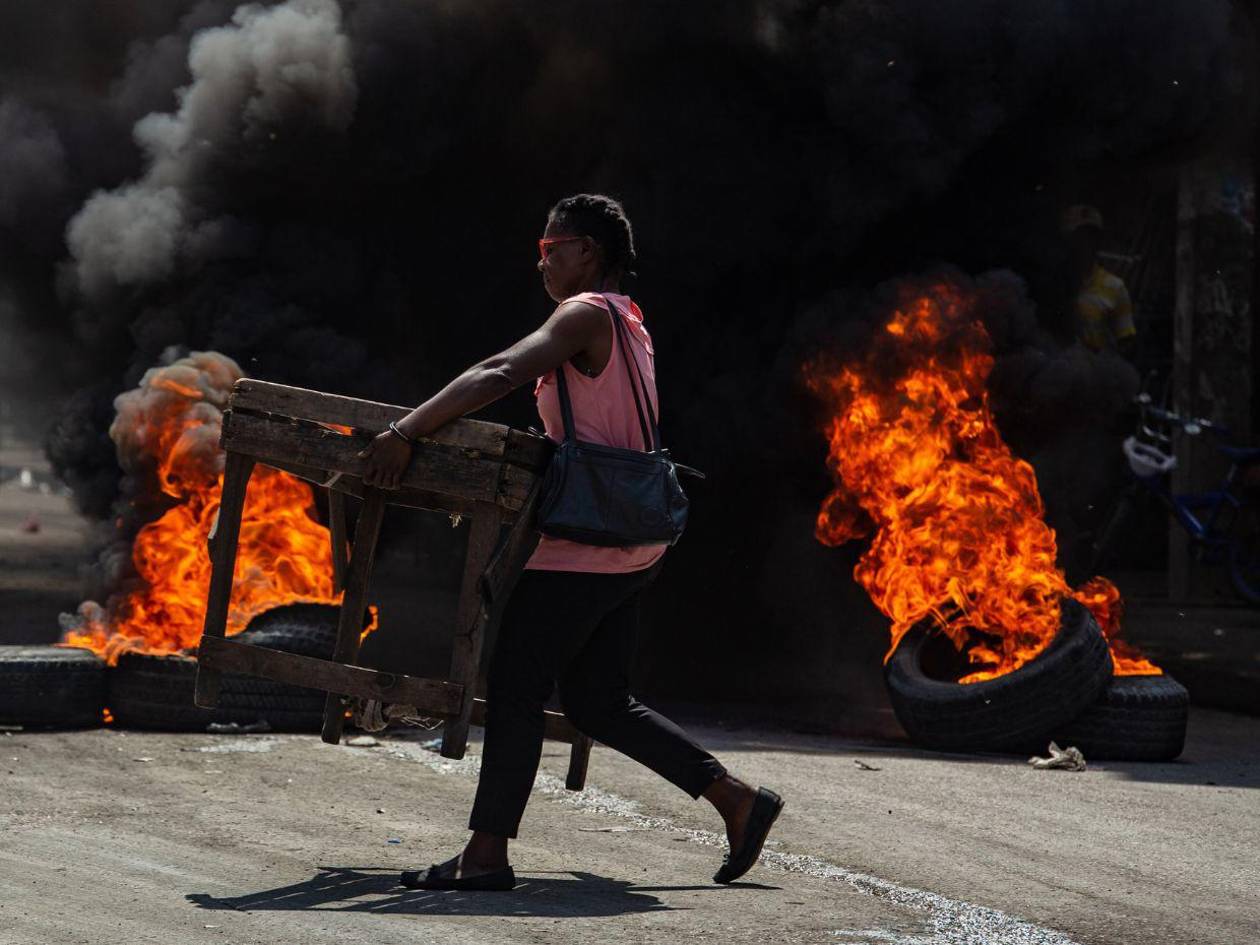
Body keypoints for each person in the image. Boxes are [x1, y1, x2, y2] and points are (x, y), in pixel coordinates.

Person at [358, 193, 784, 891]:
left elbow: (500, 371)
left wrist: (406, 431)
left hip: (586, 541)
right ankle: (736, 799)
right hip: (633, 541)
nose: (542, 261)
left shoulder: (586, 312)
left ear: (588, 251)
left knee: (518, 683)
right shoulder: (633, 324)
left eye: (550, 248)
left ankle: (486, 855)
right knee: (597, 702)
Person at [1061, 204, 1137, 359]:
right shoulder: (1054, 285)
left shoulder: (1115, 287)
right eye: (1078, 237)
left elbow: (1126, 342)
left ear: (1098, 242)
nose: (1084, 244)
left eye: (1090, 237)